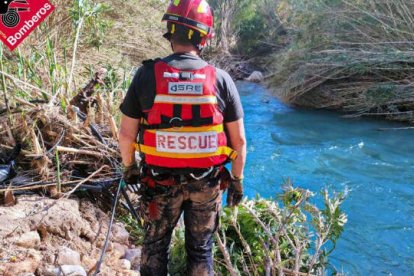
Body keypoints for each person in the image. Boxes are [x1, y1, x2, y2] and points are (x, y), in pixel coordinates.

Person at [118, 0, 246, 274]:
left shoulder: (145, 75)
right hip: (206, 184)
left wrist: (129, 168)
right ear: (204, 37)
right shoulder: (221, 79)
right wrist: (236, 181)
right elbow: (240, 143)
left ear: (170, 30)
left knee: (154, 248)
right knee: (201, 251)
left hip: (159, 182)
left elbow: (126, 134)